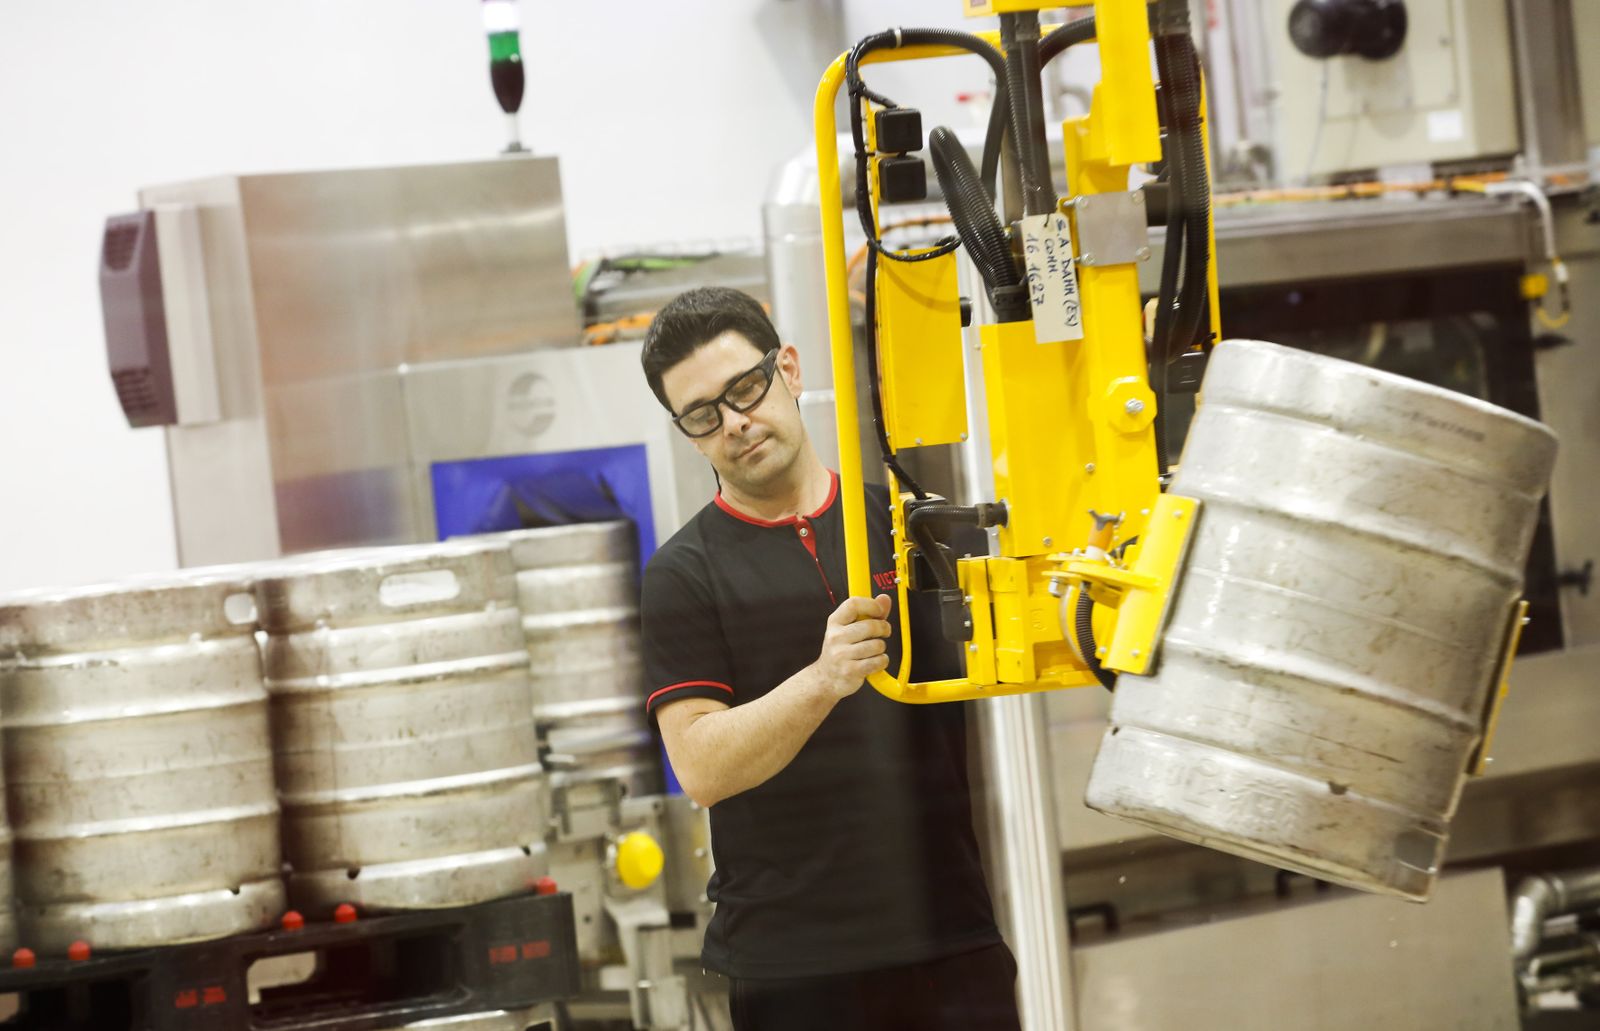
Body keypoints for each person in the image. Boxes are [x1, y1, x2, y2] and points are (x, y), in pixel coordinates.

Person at [637, 286, 1020, 1030]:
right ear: (687, 433)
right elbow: (702, 767)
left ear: (788, 367)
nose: (736, 422)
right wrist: (823, 679)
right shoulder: (684, 574)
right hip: (797, 971)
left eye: (745, 388)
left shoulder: (908, 527)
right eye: (703, 414)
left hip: (952, 938)